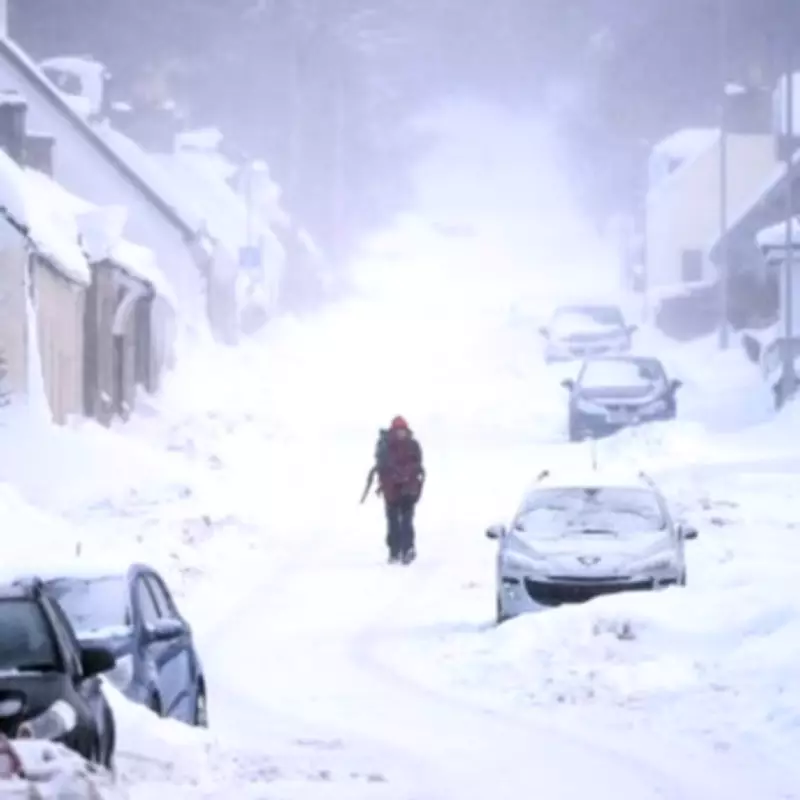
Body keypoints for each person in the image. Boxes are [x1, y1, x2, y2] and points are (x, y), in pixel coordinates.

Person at [360, 416, 425, 564]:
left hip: (408, 490)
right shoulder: (386, 446)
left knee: (407, 521)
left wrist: (408, 477)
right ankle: (395, 551)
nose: (401, 433)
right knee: (393, 522)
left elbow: (418, 464)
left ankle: (408, 549)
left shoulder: (413, 445)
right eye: (398, 430)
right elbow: (384, 466)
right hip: (392, 492)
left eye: (403, 430)